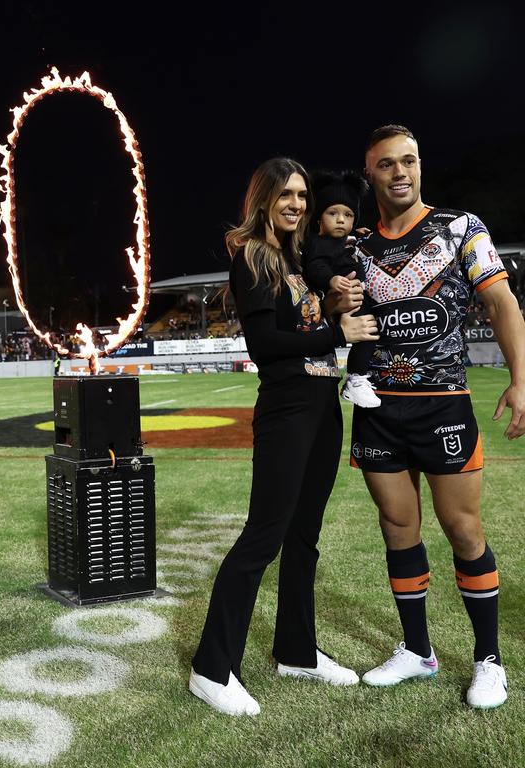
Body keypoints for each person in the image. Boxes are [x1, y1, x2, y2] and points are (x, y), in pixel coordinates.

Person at [188, 157, 378, 716]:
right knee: (263, 538)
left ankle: (297, 651)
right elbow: (264, 345)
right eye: (286, 195)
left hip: (322, 406)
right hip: (287, 409)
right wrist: (333, 329)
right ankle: (211, 666)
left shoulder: (298, 259)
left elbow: (307, 327)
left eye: (302, 195)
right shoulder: (253, 256)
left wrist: (333, 310)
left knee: (303, 540)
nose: (297, 204)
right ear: (264, 200)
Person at [353, 125, 525, 709]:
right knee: (398, 529)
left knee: (464, 530)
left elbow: (501, 302)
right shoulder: (355, 247)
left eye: (409, 161)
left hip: (444, 406)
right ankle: (417, 651)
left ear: (420, 166)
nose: (400, 172)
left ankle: (489, 661)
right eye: (386, 165)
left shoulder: (461, 228)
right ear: (370, 173)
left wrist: (521, 379)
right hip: (378, 411)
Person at [304, 170, 379, 408]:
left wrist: (359, 235)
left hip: (358, 297)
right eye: (332, 213)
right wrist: (331, 280)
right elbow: (314, 266)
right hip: (338, 300)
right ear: (319, 219)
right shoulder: (316, 243)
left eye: (348, 215)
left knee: (370, 336)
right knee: (366, 335)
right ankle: (356, 380)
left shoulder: (349, 240)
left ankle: (358, 379)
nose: (340, 220)